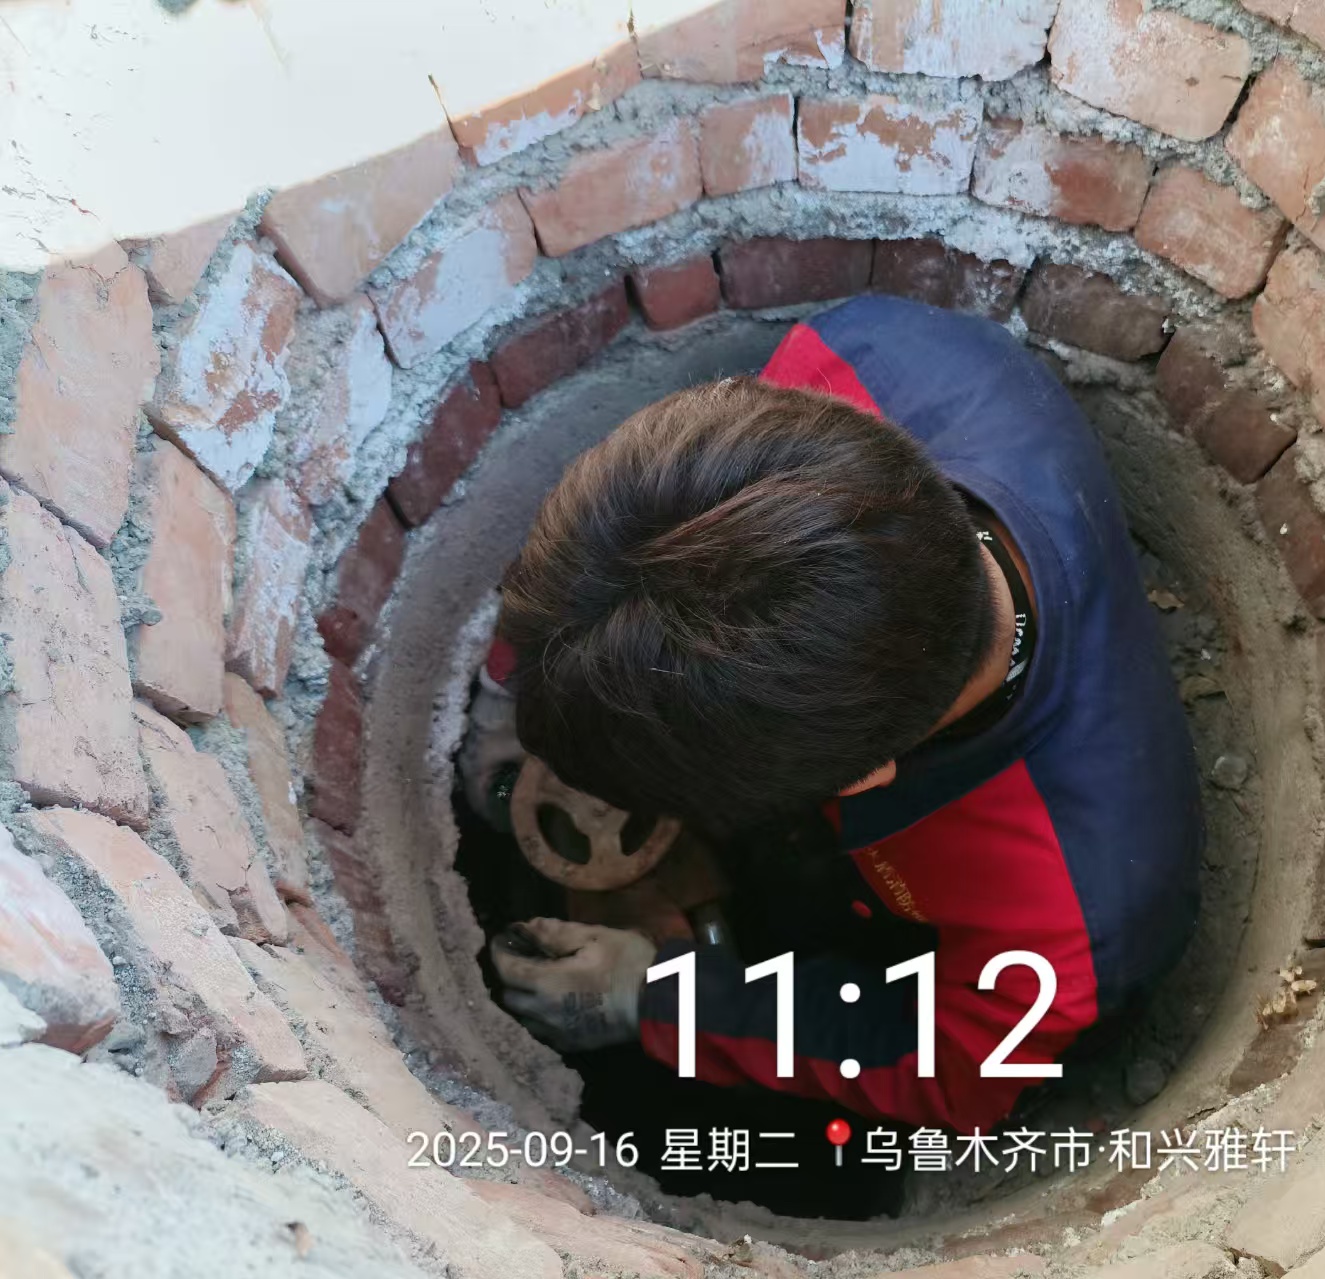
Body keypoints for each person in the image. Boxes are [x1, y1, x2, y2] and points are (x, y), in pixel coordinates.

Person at [468, 294, 1204, 1134]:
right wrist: (517, 684)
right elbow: (629, 534)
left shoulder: (1074, 925)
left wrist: (664, 997)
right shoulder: (875, 354)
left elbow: (946, 1069)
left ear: (862, 781)